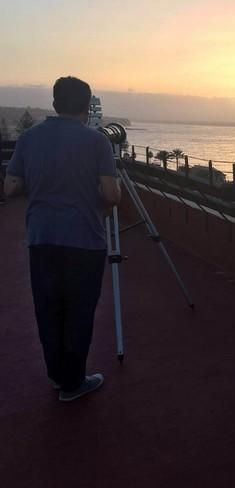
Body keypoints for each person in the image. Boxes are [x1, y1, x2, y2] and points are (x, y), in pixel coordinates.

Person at [4, 76, 121, 402]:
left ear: (55, 103)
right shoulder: (97, 142)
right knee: (79, 312)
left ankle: (57, 376)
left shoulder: (29, 138)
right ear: (87, 105)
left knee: (49, 309)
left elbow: (10, 186)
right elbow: (110, 195)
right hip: (85, 240)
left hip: (42, 239)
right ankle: (73, 384)